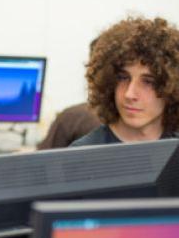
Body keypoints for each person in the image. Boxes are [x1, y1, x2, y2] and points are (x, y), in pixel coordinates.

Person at [71, 17, 179, 147]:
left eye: (148, 82)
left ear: (172, 87)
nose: (129, 94)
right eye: (123, 78)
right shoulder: (82, 155)